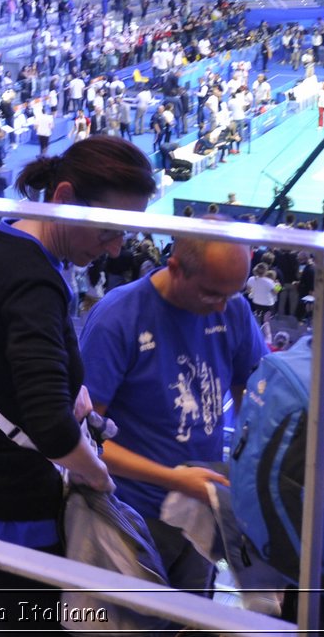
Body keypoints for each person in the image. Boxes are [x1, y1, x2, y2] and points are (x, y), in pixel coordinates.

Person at [0, 135, 157, 627]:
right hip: (8, 510)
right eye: (107, 231)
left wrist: (71, 390)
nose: (116, 247)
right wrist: (97, 476)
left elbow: (1, 360)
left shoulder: (0, 239)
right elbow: (49, 427)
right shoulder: (35, 281)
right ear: (62, 198)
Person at [79, 226, 265, 592]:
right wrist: (173, 479)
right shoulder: (118, 319)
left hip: (202, 506)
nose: (222, 307)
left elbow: (254, 390)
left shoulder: (234, 309)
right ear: (176, 267)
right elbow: (84, 441)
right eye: (212, 293)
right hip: (130, 513)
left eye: (232, 294)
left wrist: (254, 457)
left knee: (192, 621)